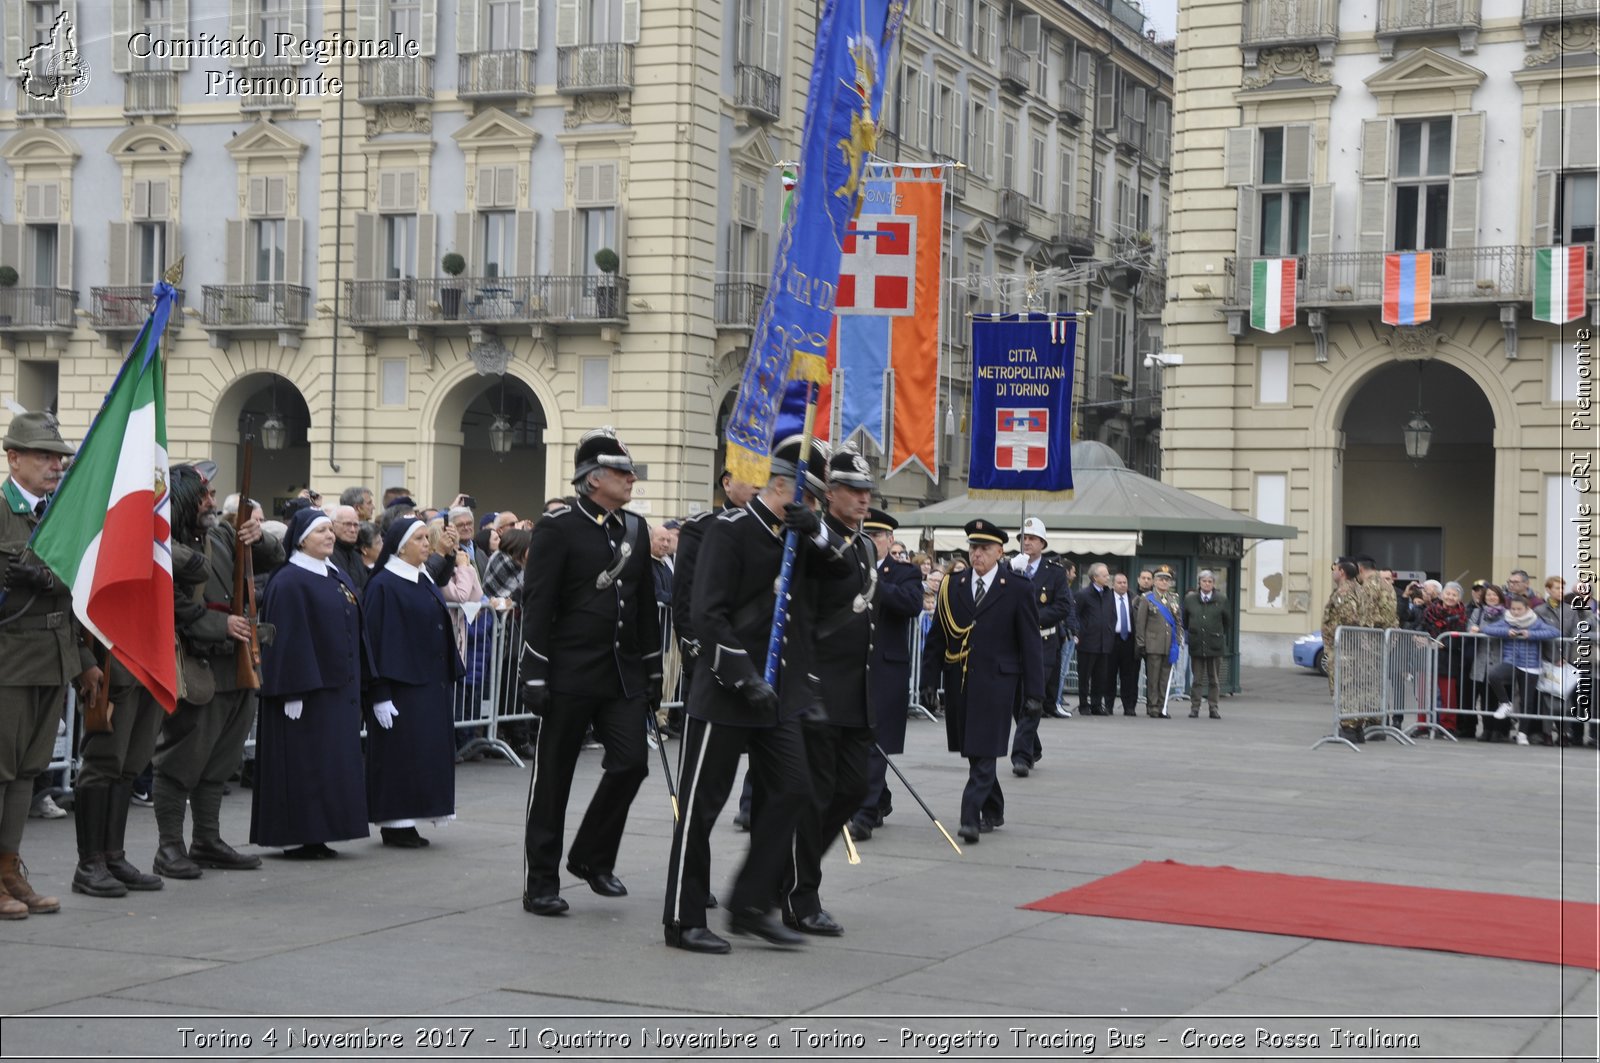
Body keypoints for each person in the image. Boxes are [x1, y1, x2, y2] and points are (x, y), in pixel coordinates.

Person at [662, 436, 842, 954]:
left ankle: (750, 904)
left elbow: (838, 588)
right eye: (808, 498)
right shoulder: (730, 531)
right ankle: (683, 917)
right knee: (701, 809)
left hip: (778, 696)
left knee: (793, 790)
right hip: (727, 691)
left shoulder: (800, 535)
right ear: (780, 487)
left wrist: (822, 536)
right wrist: (742, 676)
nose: (814, 506)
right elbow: (707, 613)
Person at [519, 427, 662, 917]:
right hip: (569, 673)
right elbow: (537, 605)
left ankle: (591, 857)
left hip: (620, 674)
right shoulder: (558, 529)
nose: (631, 480)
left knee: (631, 763)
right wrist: (534, 672)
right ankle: (541, 881)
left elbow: (644, 607)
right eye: (622, 473)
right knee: (553, 779)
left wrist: (652, 671)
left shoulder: (636, 530)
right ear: (593, 478)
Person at [151, 463, 282, 880]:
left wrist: (257, 537)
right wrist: (216, 624)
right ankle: (169, 846)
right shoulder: (163, 544)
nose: (210, 501)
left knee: (221, 759)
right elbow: (170, 605)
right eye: (203, 495)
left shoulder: (222, 535)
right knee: (181, 759)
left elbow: (272, 557)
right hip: (194, 661)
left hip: (234, 660)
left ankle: (207, 839)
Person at [0, 412, 102, 917]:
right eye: (42, 456)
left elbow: (69, 601)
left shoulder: (59, 515)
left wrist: (82, 661)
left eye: (58, 457)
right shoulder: (2, 510)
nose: (54, 465)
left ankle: (8, 870)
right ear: (13, 458)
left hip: (51, 659)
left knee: (26, 772)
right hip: (8, 662)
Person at [779, 448, 882, 937]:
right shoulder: (809, 538)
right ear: (830, 493)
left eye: (867, 492)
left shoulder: (863, 545)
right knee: (815, 798)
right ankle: (801, 895)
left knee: (853, 791)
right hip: (819, 686)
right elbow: (819, 574)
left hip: (854, 692)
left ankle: (784, 874)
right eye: (854, 492)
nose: (864, 500)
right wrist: (812, 527)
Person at [252, 509, 371, 859]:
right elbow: (287, 638)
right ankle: (301, 835)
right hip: (305, 689)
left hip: (335, 687)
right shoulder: (289, 580)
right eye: (321, 531)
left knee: (329, 764)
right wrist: (291, 689)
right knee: (305, 764)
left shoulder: (333, 574)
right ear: (302, 538)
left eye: (330, 531)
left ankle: (321, 833)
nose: (330, 536)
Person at [921, 520, 1044, 844]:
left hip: (998, 683)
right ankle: (994, 807)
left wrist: (1034, 693)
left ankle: (969, 817)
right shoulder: (953, 585)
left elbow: (1030, 643)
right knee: (975, 751)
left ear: (1000, 552)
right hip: (961, 681)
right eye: (974, 548)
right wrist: (928, 680)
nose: (977, 554)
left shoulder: (1017, 587)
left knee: (985, 748)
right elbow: (937, 638)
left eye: (985, 549)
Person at [849, 509, 923, 841]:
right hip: (851, 665)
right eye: (866, 535)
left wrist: (876, 584)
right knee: (855, 739)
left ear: (890, 540)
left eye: (877, 536)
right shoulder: (850, 566)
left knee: (875, 741)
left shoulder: (903, 572)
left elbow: (911, 604)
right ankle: (879, 799)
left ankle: (863, 814)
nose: (870, 541)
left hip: (886, 667)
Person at [1007, 518, 1073, 776]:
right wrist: (1010, 571)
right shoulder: (1011, 567)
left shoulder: (1054, 572)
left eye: (1032, 538)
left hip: (1042, 642)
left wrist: (1033, 618)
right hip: (1014, 642)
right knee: (1015, 701)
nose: (1026, 542)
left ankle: (1021, 756)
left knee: (1033, 700)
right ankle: (1032, 745)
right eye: (1023, 538)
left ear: (1042, 543)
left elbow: (1063, 606)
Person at [1481, 593, 1562, 746]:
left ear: (1527, 609)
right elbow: (1486, 629)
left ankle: (1522, 733)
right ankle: (1505, 703)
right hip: (1511, 661)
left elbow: (1555, 632)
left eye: (1519, 609)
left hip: (1531, 666)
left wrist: (1530, 634)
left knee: (1527, 701)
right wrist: (1506, 632)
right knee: (1494, 675)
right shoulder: (1506, 621)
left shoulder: (1535, 622)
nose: (1516, 612)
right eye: (1513, 609)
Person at [1322, 560, 1366, 742]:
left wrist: (1339, 638)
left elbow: (1350, 617)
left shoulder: (1344, 592)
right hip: (1353, 648)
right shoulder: (1358, 588)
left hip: (1344, 649)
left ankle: (1348, 727)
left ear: (1341, 572)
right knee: (1354, 687)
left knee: (1343, 686)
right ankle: (1355, 728)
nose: (1332, 572)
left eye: (1334, 569)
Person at [1135, 565, 1184, 718]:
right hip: (1153, 644)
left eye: (1167, 580)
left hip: (1169, 645)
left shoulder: (1173, 598)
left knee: (1164, 678)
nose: (1164, 583)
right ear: (1154, 582)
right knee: (1153, 678)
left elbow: (1178, 622)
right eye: (1161, 580)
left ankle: (1162, 706)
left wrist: (1178, 639)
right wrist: (1141, 643)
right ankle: (1153, 707)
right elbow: (1140, 623)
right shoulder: (1147, 598)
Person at [1183, 570, 1229, 719]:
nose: (1207, 584)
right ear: (1199, 583)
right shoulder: (1190, 600)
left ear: (1213, 584)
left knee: (1214, 679)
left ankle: (1213, 708)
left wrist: (1218, 634)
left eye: (1210, 581)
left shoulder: (1221, 599)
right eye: (1204, 581)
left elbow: (1227, 621)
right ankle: (1195, 707)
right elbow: (1185, 620)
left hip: (1214, 645)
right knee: (1196, 679)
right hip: (1197, 644)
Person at [1075, 562, 1115, 716]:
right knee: (1084, 676)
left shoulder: (1108, 594)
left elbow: (1112, 615)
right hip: (1087, 642)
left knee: (1100, 676)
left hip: (1105, 642)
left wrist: (1110, 629)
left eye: (1107, 575)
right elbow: (1076, 614)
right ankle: (1083, 704)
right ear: (1095, 577)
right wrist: (1081, 631)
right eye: (1104, 575)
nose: (1107, 578)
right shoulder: (1083, 594)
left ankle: (1097, 704)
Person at [1108, 572, 1140, 716]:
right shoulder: (1107, 598)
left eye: (1125, 582)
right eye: (1120, 583)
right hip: (1112, 640)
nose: (1123, 585)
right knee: (1109, 674)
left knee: (1129, 676)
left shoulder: (1134, 598)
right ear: (1113, 584)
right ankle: (1108, 705)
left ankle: (1129, 706)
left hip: (1129, 640)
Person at [328, 505, 369, 593]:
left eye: (356, 525)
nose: (353, 530)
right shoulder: (326, 554)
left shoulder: (357, 556)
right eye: (347, 524)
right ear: (333, 525)